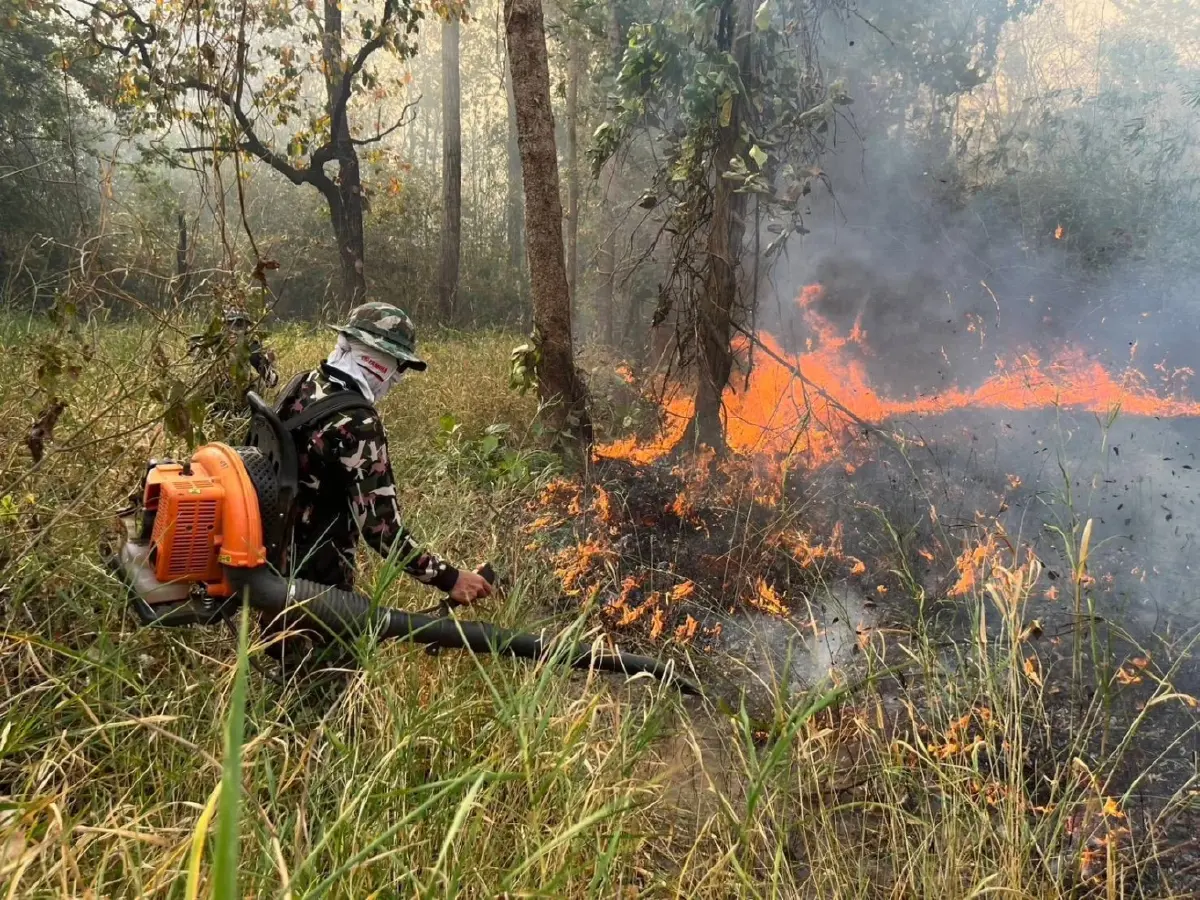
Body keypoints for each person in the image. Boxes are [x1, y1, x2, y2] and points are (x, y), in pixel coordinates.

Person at [275, 302, 492, 605]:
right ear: (378, 359)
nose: (398, 378)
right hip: (316, 583)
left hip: (273, 562)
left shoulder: (304, 383)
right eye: (399, 365)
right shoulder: (358, 422)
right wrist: (450, 578)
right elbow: (383, 530)